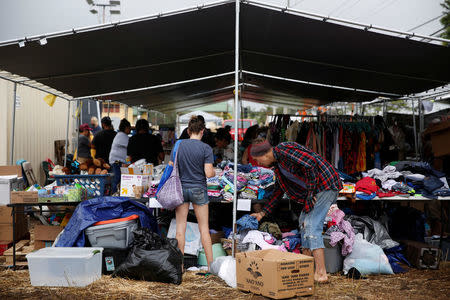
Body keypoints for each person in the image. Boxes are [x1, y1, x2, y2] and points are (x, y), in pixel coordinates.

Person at [249, 140, 342, 283]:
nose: (258, 163)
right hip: (314, 192)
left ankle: (321, 273)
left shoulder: (283, 150)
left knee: (311, 226)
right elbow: (278, 191)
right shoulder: (278, 166)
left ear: (264, 154)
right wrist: (262, 213)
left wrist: (310, 194)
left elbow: (310, 163)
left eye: (257, 160)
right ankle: (306, 269)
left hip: (325, 185)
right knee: (303, 223)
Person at [172, 116, 215, 270]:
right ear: (202, 131)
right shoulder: (206, 149)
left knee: (180, 229)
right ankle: (211, 267)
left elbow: (171, 166)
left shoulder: (179, 145)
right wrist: (214, 171)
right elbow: (209, 173)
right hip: (199, 190)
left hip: (181, 189)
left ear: (188, 131)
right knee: (204, 229)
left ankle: (180, 267)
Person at [109, 119, 131, 194]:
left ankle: (116, 193)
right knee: (117, 178)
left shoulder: (121, 135)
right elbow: (131, 145)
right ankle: (114, 193)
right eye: (129, 128)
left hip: (118, 161)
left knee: (118, 178)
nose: (130, 129)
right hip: (116, 161)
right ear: (125, 128)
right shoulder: (122, 136)